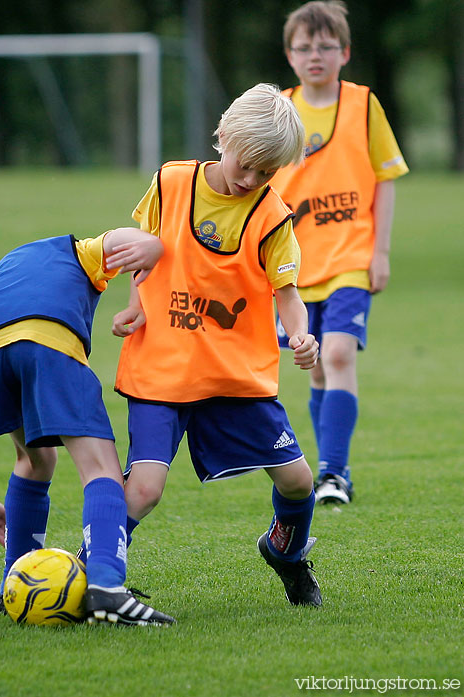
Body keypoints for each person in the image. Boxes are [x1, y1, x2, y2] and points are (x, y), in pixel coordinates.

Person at [113, 83, 323, 606]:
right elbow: (143, 251)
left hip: (234, 374)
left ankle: (286, 552)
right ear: (223, 136)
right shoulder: (171, 182)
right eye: (245, 165)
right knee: (143, 490)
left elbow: (288, 294)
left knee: (299, 482)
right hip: (163, 367)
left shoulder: (272, 216)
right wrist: (137, 305)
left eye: (267, 172)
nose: (251, 180)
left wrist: (300, 332)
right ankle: (94, 572)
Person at [0, 226, 175, 626]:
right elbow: (125, 240)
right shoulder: (78, 252)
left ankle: (14, 582)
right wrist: (154, 244)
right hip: (49, 342)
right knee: (101, 469)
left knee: (35, 460)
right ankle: (108, 589)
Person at [271, 1, 409, 505]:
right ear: (289, 55)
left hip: (351, 257)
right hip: (294, 266)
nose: (315, 55)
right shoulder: (279, 110)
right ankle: (333, 468)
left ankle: (332, 474)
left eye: (326, 46)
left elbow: (386, 178)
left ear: (344, 52)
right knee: (317, 366)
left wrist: (381, 252)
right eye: (304, 47)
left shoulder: (363, 104)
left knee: (336, 352)